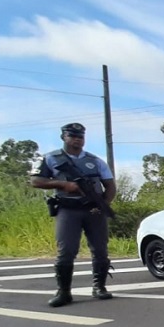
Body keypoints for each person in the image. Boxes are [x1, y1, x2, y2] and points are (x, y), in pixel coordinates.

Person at [29, 122, 116, 307]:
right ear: (64, 137)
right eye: (73, 136)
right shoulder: (50, 158)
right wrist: (62, 184)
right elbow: (35, 181)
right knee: (66, 250)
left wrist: (103, 205)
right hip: (68, 209)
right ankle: (64, 292)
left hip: (93, 210)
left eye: (80, 137)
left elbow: (110, 186)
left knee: (100, 249)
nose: (77, 140)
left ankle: (99, 287)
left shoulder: (95, 161)